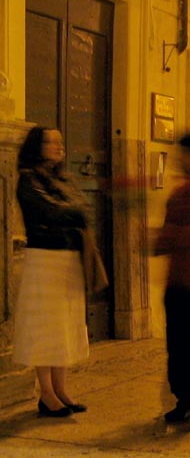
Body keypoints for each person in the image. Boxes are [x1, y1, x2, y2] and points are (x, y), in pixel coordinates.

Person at [13, 126, 90, 417]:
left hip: (66, 260)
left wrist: (74, 212)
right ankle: (46, 395)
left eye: (61, 141)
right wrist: (75, 213)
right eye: (51, 142)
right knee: (45, 327)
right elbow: (51, 212)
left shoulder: (61, 179)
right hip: (45, 260)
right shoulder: (28, 180)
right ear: (37, 146)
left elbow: (78, 207)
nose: (59, 147)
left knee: (64, 325)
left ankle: (61, 389)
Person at [155, 131, 190, 423]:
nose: (176, 157)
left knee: (180, 342)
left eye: (180, 151)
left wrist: (161, 241)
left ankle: (189, 398)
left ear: (187, 153)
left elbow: (187, 231)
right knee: (181, 340)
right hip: (185, 274)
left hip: (185, 277)